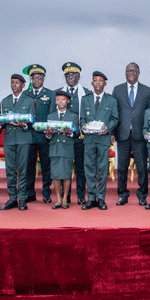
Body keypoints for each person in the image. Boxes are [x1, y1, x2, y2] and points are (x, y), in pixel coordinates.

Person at [112, 62, 150, 206]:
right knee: (122, 167)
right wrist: (112, 132)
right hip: (122, 133)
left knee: (142, 167)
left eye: (134, 71)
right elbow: (114, 113)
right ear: (125, 72)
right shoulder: (117, 90)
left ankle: (142, 195)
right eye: (129, 70)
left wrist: (149, 132)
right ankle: (122, 195)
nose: (131, 73)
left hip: (140, 134)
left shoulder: (147, 91)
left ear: (139, 73)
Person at [52, 62, 91, 205]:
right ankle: (64, 197)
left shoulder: (87, 92)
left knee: (81, 168)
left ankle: (81, 196)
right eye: (67, 75)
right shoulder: (58, 93)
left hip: (81, 137)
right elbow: (53, 114)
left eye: (73, 75)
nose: (70, 77)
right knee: (63, 168)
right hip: (63, 138)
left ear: (79, 76)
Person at [79, 71, 118, 210]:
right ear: (91, 83)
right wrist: (83, 126)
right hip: (89, 139)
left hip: (103, 139)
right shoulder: (85, 99)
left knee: (102, 170)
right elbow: (82, 118)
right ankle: (90, 198)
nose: (97, 84)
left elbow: (115, 119)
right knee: (89, 169)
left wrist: (108, 128)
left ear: (105, 84)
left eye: (100, 81)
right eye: (95, 81)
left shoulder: (111, 100)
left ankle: (101, 198)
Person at [0, 74, 34, 211]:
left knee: (23, 170)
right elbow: (2, 121)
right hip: (9, 139)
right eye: (12, 83)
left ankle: (22, 199)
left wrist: (23, 125)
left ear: (23, 85)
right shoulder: (5, 101)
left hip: (23, 138)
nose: (14, 85)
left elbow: (31, 123)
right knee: (10, 171)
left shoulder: (29, 101)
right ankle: (12, 198)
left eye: (17, 83)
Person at [23, 64, 54, 204]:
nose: (37, 80)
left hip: (44, 136)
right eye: (34, 78)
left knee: (46, 166)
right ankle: (30, 193)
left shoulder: (50, 94)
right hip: (28, 135)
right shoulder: (25, 94)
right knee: (29, 166)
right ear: (31, 79)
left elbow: (52, 114)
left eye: (39, 78)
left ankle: (46, 193)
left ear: (43, 79)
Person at [46, 90, 80, 209]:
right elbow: (48, 135)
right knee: (55, 175)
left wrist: (70, 133)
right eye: (58, 99)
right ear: (55, 101)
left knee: (66, 174)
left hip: (67, 148)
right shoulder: (51, 116)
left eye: (63, 99)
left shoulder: (73, 116)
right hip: (55, 147)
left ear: (68, 101)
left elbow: (77, 133)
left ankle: (65, 198)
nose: (60, 102)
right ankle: (58, 199)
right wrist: (48, 134)